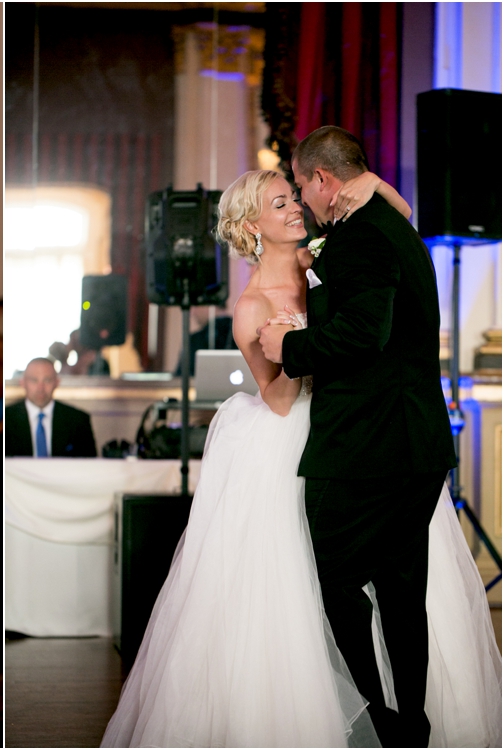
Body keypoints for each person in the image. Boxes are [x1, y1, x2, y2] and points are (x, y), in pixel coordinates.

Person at [102, 165, 501, 747]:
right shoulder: (252, 305)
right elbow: (283, 400)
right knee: (309, 584)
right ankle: (350, 714)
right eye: (279, 203)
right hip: (299, 444)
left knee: (398, 585)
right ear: (251, 226)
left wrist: (370, 184)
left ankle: (407, 716)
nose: (294, 208)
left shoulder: (329, 257)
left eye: (293, 197)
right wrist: (297, 348)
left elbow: (399, 223)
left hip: (368, 434)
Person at [258, 126, 493, 747]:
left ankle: (376, 720)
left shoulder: (361, 239)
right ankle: (408, 725)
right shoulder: (396, 229)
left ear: (325, 181)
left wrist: (290, 348)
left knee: (334, 581)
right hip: (413, 445)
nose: (304, 203)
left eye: (304, 187)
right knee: (399, 590)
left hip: (368, 448)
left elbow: (365, 334)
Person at [4, 357, 97, 457]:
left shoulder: (79, 420)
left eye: (47, 380)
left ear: (57, 383)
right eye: (34, 380)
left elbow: (88, 465)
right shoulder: (6, 418)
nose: (40, 388)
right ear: (22, 383)